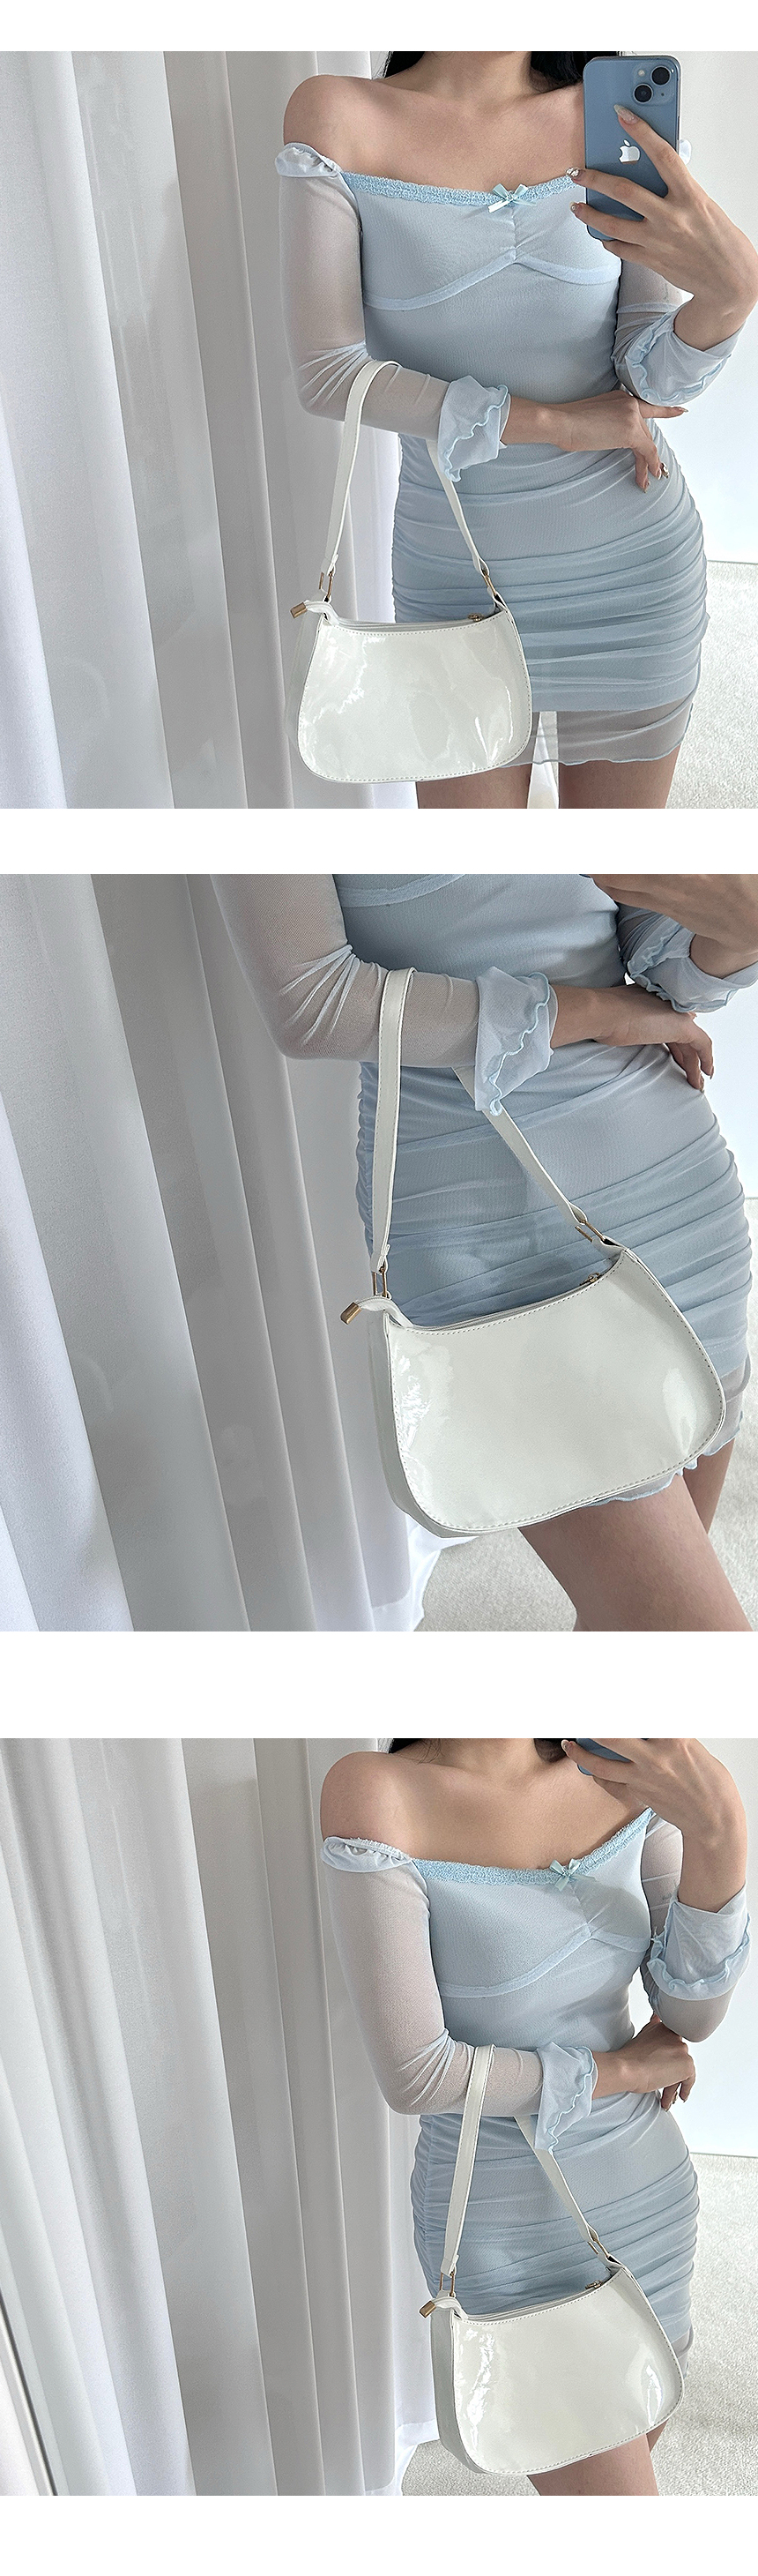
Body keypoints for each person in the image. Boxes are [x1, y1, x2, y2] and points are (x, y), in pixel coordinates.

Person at [212, 870, 758, 1631]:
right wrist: (593, 1012)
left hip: (677, 1191)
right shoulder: (277, 790)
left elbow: (656, 957)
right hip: (488, 1232)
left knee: (634, 1645)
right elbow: (313, 1001)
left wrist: (739, 929)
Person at [277, 51, 758, 810]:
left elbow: (649, 382)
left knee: (619, 869)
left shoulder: (614, 120)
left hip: (632, 576)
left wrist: (731, 298)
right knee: (473, 876)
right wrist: (556, 424)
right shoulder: (338, 115)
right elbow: (329, 374)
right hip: (454, 578)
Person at [320, 1735, 750, 2496]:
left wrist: (720, 1826)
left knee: (631, 2447)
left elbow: (690, 2011)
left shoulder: (624, 1762)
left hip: (648, 2193)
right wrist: (621, 2070)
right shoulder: (377, 1791)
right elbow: (418, 2073)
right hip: (511, 2226)